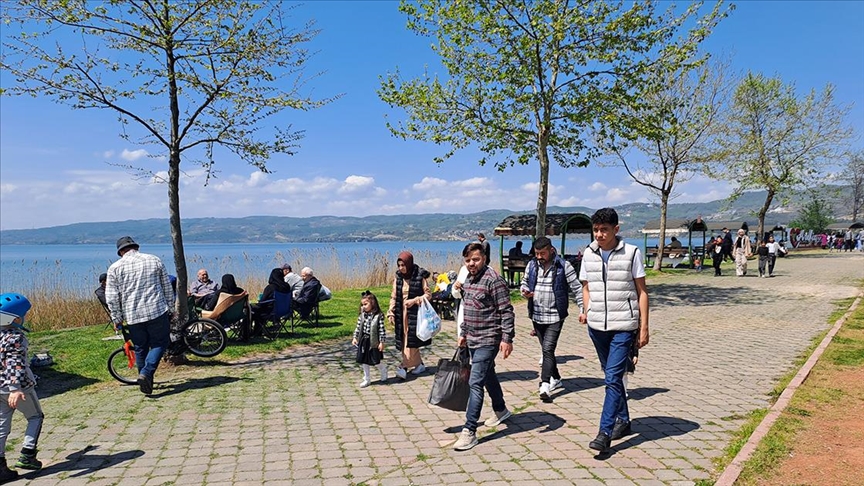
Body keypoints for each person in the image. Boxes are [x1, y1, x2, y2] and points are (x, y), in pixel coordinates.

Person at [579, 208, 649, 453]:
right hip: (597, 326)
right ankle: (624, 420)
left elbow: (642, 292)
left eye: (604, 230)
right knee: (613, 376)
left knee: (611, 378)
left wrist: (644, 327)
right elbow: (586, 287)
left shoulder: (632, 253)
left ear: (616, 229)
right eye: (596, 230)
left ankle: (605, 432)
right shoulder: (588, 254)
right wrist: (588, 310)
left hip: (624, 326)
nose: (599, 235)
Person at [452, 243, 515, 451]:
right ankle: (501, 410)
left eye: (476, 259)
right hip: (472, 338)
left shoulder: (494, 280)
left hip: (489, 339)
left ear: (484, 258)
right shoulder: (468, 280)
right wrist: (463, 333)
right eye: (468, 260)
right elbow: (468, 309)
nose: (472, 263)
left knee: (475, 382)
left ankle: (469, 431)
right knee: (488, 375)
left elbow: (506, 311)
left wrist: (507, 339)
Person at [106, 236, 174, 396]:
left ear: (120, 252)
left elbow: (112, 297)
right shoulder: (154, 260)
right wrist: (171, 307)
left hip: (133, 315)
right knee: (160, 343)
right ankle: (146, 373)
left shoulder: (114, 268)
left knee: (140, 347)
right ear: (136, 247)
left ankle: (145, 382)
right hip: (156, 310)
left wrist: (117, 318)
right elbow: (166, 286)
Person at [520, 237, 583, 403]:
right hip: (536, 315)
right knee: (547, 350)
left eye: (542, 253)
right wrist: (524, 291)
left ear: (551, 250)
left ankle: (545, 384)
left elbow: (577, 288)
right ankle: (556, 378)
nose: (539, 257)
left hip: (556, 315)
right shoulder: (532, 265)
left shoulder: (564, 266)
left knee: (547, 349)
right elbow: (524, 283)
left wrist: (583, 309)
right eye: (537, 253)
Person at [0, 293, 45, 479]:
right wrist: (15, 389)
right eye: (23, 315)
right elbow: (15, 363)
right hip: (19, 389)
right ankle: (28, 454)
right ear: (16, 319)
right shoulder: (15, 337)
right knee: (35, 416)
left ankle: (0, 467)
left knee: (2, 426)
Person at [387, 251, 432, 379]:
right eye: (399, 265)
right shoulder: (398, 278)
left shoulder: (419, 276)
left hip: (415, 314)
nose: (401, 268)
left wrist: (415, 300)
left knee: (410, 341)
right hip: (401, 313)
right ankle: (418, 365)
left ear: (409, 264)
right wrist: (391, 312)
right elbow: (394, 296)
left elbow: (428, 295)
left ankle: (404, 366)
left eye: (403, 265)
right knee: (404, 340)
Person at [352, 291, 387, 388]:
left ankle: (383, 369)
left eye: (365, 304)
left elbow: (381, 330)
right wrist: (355, 337)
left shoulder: (378, 316)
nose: (363, 306)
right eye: (362, 305)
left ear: (373, 303)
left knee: (375, 359)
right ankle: (367, 378)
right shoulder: (362, 315)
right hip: (364, 340)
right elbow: (358, 327)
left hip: (374, 341)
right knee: (364, 360)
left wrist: (382, 342)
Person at [250, 268, 293, 335]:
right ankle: (258, 331)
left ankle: (252, 331)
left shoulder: (270, 287)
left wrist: (254, 305)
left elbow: (262, 302)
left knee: (252, 309)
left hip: (271, 312)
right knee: (260, 310)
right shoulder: (287, 287)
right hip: (285, 312)